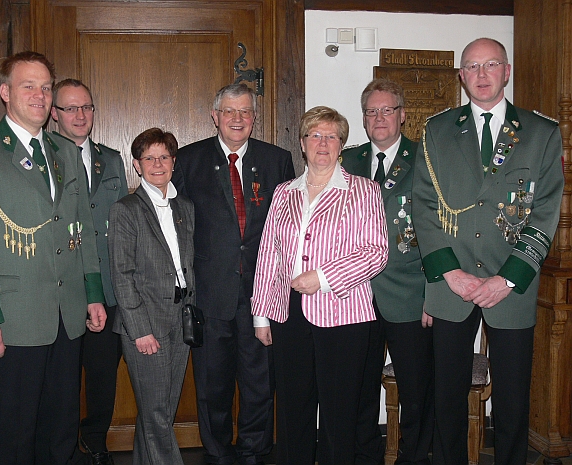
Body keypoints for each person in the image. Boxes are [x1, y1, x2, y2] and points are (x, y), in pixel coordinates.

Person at [412, 38, 564, 465]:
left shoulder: (542, 133)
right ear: (461, 76)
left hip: (510, 285)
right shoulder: (437, 130)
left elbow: (546, 210)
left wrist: (508, 277)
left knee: (514, 400)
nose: (481, 74)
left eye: (490, 64)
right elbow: (423, 204)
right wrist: (450, 273)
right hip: (450, 285)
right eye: (472, 67)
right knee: (447, 398)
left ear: (507, 71)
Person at [0, 51, 106, 464]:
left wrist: (92, 292)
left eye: (45, 87)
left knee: (60, 427)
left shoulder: (66, 152)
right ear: (5, 92)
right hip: (14, 317)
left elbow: (82, 230)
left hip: (67, 313)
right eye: (28, 85)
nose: (39, 95)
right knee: (13, 430)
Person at [251, 106, 388, 465]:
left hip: (345, 314)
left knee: (338, 413)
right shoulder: (283, 193)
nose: (322, 143)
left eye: (331, 136)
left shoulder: (363, 191)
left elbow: (376, 253)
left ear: (341, 144)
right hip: (289, 313)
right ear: (302, 143)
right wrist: (261, 314)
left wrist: (323, 278)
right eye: (315, 135)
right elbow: (269, 254)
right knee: (292, 408)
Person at [172, 83, 295, 465]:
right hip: (209, 293)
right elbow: (173, 224)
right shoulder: (189, 161)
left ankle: (254, 452)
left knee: (260, 382)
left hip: (263, 293)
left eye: (245, 112)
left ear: (255, 118)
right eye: (229, 112)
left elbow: (289, 225)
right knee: (213, 384)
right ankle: (218, 452)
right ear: (215, 117)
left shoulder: (278, 160)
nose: (237, 119)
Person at [341, 79, 433, 465]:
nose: (379, 118)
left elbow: (438, 228)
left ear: (403, 115)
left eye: (387, 110)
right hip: (357, 296)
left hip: (410, 294)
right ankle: (365, 455)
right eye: (371, 111)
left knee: (416, 389)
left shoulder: (426, 158)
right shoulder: (348, 161)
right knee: (359, 388)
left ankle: (413, 458)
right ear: (363, 118)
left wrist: (435, 292)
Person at [51, 78, 128, 465]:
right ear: (54, 114)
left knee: (101, 375)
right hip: (64, 288)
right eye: (70, 108)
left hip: (107, 288)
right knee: (62, 379)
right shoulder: (44, 158)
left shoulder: (111, 159)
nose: (80, 116)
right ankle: (57, 445)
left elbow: (123, 220)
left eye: (87, 107)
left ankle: (95, 438)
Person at [109, 128, 194, 465]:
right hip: (146, 324)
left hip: (181, 318)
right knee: (157, 414)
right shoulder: (126, 209)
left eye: (164, 157)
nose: (157, 164)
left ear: (173, 162)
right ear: (137, 165)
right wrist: (139, 329)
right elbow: (122, 275)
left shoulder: (184, 206)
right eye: (149, 158)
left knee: (159, 410)